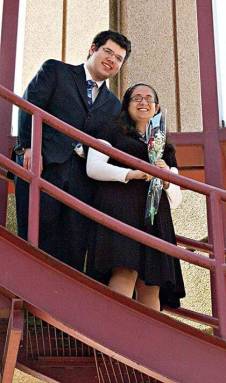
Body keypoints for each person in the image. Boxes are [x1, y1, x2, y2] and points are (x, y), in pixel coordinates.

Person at [14, 30, 131, 271]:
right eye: (108, 52)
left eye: (119, 58)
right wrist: (28, 146)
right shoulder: (56, 71)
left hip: (82, 182)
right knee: (36, 241)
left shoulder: (114, 106)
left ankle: (56, 305)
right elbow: (29, 106)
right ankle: (34, 304)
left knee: (72, 250)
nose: (112, 60)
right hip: (43, 166)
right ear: (93, 48)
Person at [86, 83, 185, 310]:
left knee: (151, 284)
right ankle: (111, 342)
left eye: (149, 98)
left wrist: (167, 178)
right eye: (136, 98)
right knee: (125, 271)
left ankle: (147, 345)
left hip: (155, 219)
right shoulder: (111, 130)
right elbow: (93, 168)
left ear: (157, 107)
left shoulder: (165, 148)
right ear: (127, 106)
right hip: (122, 211)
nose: (143, 102)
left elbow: (177, 200)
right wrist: (132, 173)